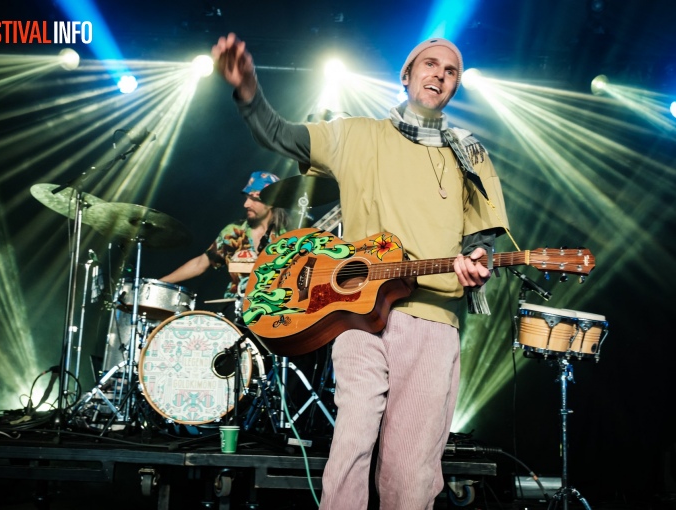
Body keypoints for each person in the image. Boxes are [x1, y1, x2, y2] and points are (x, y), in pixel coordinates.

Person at [211, 33, 510, 509]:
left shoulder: (469, 153)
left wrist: (478, 263)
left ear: (455, 86)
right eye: (429, 64)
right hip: (357, 315)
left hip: (433, 320)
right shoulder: (355, 134)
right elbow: (280, 133)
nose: (439, 74)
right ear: (406, 75)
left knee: (411, 469)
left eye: (450, 71)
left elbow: (482, 239)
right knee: (351, 444)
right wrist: (248, 89)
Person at [159, 171, 289, 318]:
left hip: (275, 313)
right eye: (247, 198)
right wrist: (161, 283)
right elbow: (201, 263)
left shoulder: (288, 238)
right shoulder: (233, 232)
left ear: (271, 201)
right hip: (236, 310)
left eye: (253, 199)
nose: (246, 204)